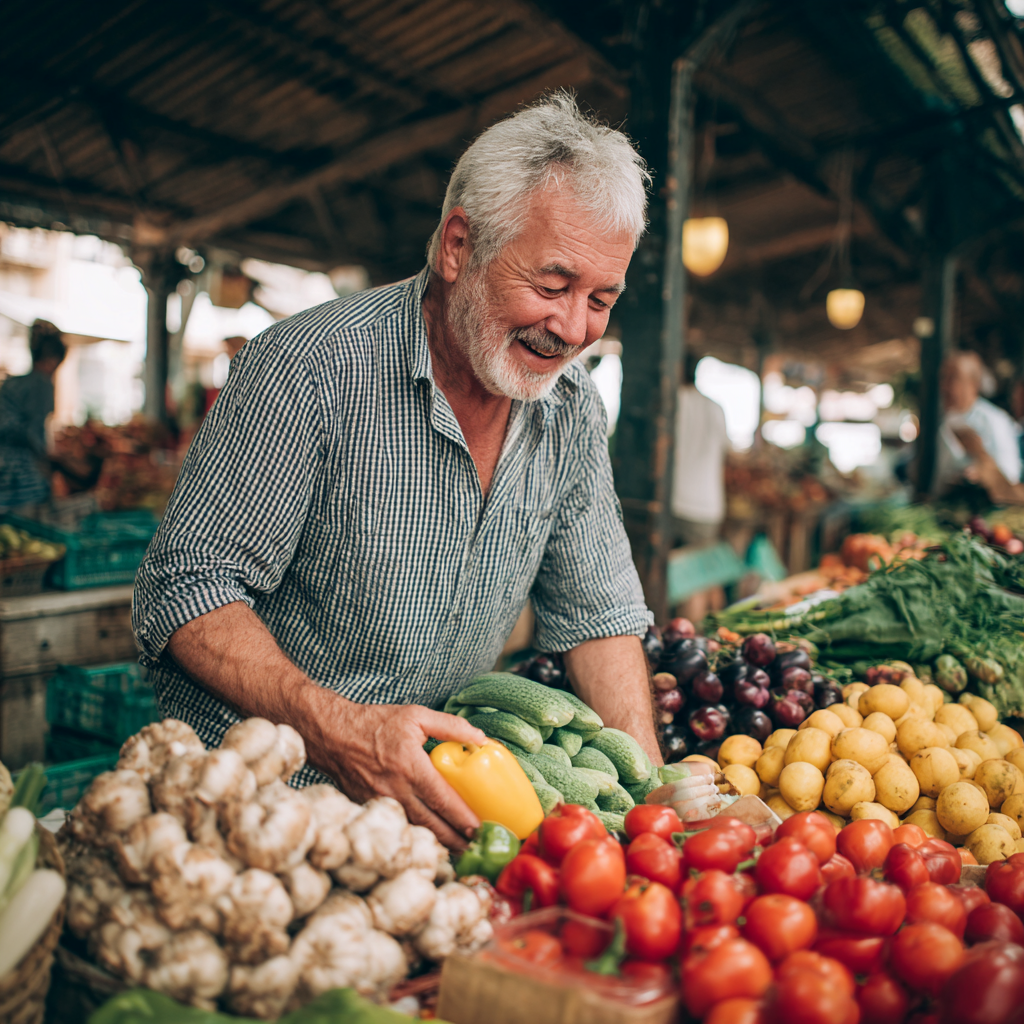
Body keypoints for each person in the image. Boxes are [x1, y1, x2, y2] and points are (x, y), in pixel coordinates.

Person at [133, 93, 658, 848]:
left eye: (601, 299)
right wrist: (337, 729)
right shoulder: (309, 368)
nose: (573, 329)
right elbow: (186, 587)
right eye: (550, 287)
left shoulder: (570, 409)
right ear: (457, 248)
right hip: (253, 808)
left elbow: (601, 619)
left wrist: (648, 808)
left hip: (425, 821)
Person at [0, 320, 66, 512]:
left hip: (3, 468)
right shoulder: (42, 384)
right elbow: (35, 433)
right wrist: (48, 461)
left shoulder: (13, 384)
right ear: (52, 359)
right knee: (26, 523)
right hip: (19, 474)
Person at [936, 350, 1021, 494]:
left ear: (973, 384)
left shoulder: (995, 421)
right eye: (943, 378)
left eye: (953, 378)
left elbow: (1010, 477)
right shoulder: (941, 421)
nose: (944, 386)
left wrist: (981, 473)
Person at [671, 354, 728, 548]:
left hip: (673, 502)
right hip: (707, 507)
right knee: (695, 575)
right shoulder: (716, 408)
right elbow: (725, 451)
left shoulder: (671, 403)